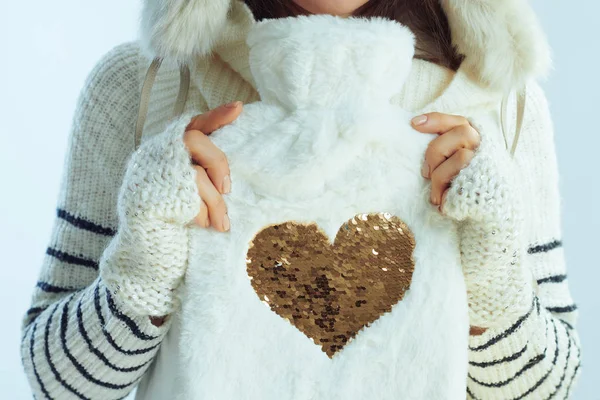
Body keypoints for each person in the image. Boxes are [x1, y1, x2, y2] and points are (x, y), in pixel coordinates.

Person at [19, 0, 581, 399]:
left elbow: (545, 389)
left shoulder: (502, 105)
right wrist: (146, 257)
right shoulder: (145, 87)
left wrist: (494, 276)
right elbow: (58, 383)